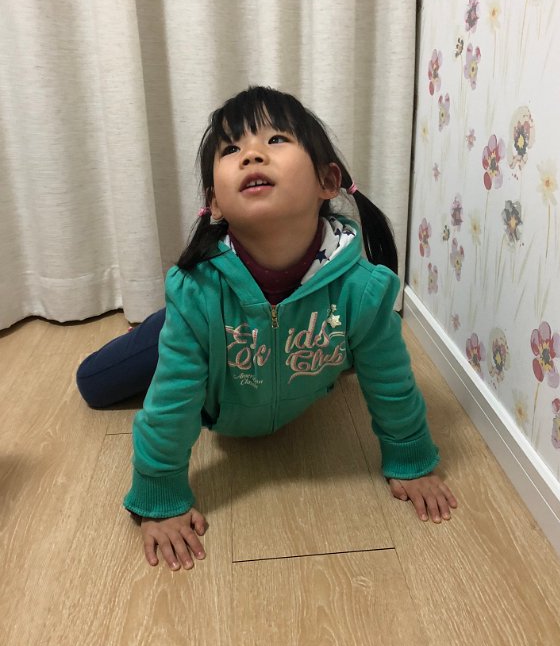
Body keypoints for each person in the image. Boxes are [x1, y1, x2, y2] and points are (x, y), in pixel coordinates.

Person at [77, 86, 457, 571]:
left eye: (276, 139)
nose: (251, 153)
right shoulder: (196, 294)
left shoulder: (363, 290)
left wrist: (410, 458)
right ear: (214, 203)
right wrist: (159, 494)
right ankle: (160, 333)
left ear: (327, 181)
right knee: (94, 384)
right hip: (200, 327)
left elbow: (391, 380)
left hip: (266, 352)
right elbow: (171, 404)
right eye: (231, 148)